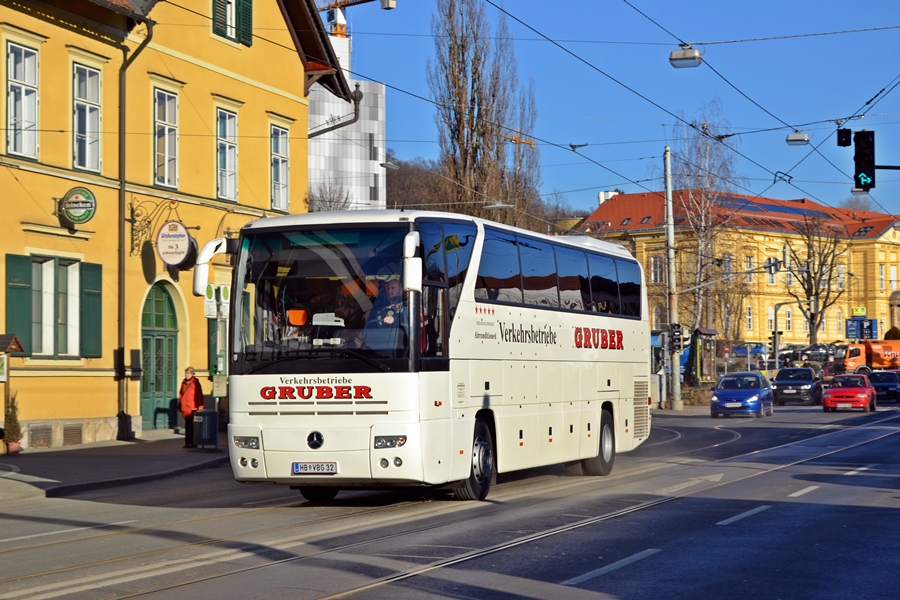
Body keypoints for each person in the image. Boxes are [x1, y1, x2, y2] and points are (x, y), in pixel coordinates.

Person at [179, 366, 204, 449]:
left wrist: (200, 406)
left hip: (193, 407)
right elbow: (181, 394)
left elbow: (199, 395)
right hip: (186, 408)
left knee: (193, 427)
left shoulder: (195, 383)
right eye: (186, 373)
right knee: (187, 426)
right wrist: (181, 403)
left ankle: (193, 443)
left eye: (188, 373)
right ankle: (187, 443)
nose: (186, 375)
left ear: (192, 374)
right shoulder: (183, 382)